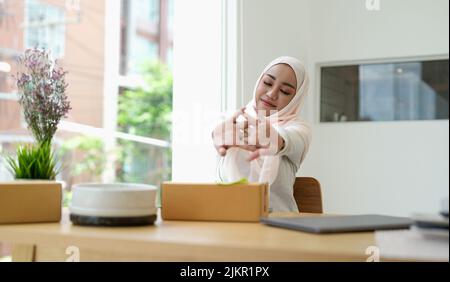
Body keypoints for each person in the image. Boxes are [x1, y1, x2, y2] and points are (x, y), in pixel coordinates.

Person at [212, 56, 311, 212]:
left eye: (285, 91)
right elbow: (217, 133)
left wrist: (273, 139)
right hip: (228, 220)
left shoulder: (298, 129)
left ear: (296, 98)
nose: (272, 93)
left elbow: (289, 140)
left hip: (281, 226)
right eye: (267, 83)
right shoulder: (231, 120)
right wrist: (215, 134)